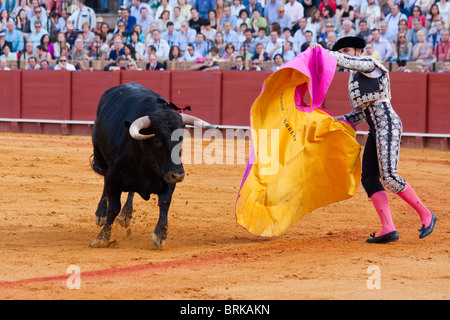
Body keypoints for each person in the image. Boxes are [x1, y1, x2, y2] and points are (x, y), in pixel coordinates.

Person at [309, 37, 437, 244]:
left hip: (387, 124)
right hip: (375, 128)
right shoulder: (354, 79)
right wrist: (332, 121)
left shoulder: (370, 64)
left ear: (359, 51)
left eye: (348, 50)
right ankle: (388, 228)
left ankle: (426, 214)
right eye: (341, 51)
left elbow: (348, 62)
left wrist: (324, 53)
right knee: (369, 177)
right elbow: (359, 115)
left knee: (389, 176)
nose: (345, 53)